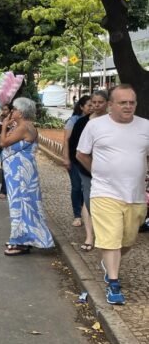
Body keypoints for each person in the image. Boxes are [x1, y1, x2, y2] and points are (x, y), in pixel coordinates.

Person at [76, 84, 149, 305]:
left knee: (126, 240)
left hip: (135, 195)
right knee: (111, 238)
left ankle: (109, 264)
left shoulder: (145, 126)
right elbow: (81, 154)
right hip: (104, 192)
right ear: (111, 105)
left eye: (132, 102)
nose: (128, 106)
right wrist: (99, 174)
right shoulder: (95, 126)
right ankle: (114, 284)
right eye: (123, 102)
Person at [0, 97, 54, 256]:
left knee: (20, 204)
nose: (12, 112)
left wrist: (3, 127)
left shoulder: (23, 127)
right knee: (26, 204)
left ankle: (20, 241)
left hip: (20, 172)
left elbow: (3, 143)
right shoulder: (26, 126)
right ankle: (24, 238)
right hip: (22, 170)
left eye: (15, 109)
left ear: (21, 112)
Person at [70, 91, 108, 252]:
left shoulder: (111, 122)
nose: (96, 105)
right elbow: (75, 146)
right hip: (87, 168)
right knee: (88, 199)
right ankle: (89, 236)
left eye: (100, 102)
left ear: (107, 103)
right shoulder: (82, 123)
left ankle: (105, 233)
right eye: (94, 102)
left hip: (108, 170)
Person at [62, 95, 91, 228]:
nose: (92, 107)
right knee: (77, 187)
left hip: (90, 159)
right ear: (81, 107)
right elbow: (66, 140)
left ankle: (88, 214)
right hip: (75, 159)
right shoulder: (74, 121)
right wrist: (66, 158)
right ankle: (77, 215)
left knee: (88, 188)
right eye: (89, 105)